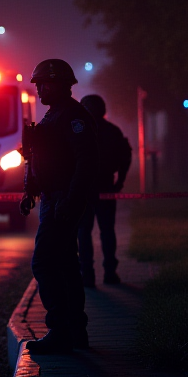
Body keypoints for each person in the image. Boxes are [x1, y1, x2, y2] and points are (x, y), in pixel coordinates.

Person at [17, 59, 96, 354]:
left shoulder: (74, 117)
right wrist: (31, 190)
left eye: (44, 84)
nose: (39, 90)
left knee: (45, 263)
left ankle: (61, 330)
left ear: (62, 85)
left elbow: (85, 162)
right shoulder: (54, 116)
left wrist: (71, 199)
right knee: (65, 264)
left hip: (62, 199)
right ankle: (74, 331)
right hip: (53, 197)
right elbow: (40, 157)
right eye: (37, 84)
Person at [76, 94, 132, 287]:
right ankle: (110, 273)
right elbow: (125, 157)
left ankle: (87, 275)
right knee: (107, 231)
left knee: (83, 232)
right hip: (106, 187)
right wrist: (120, 182)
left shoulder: (77, 132)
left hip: (83, 189)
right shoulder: (113, 131)